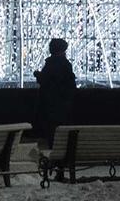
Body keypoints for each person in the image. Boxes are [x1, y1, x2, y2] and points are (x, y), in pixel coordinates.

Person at [33, 37, 76, 166]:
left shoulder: (52, 63)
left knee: (53, 134)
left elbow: (46, 81)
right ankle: (60, 162)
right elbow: (69, 85)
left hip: (51, 106)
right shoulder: (66, 64)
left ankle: (56, 161)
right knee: (60, 134)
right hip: (63, 106)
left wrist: (38, 75)